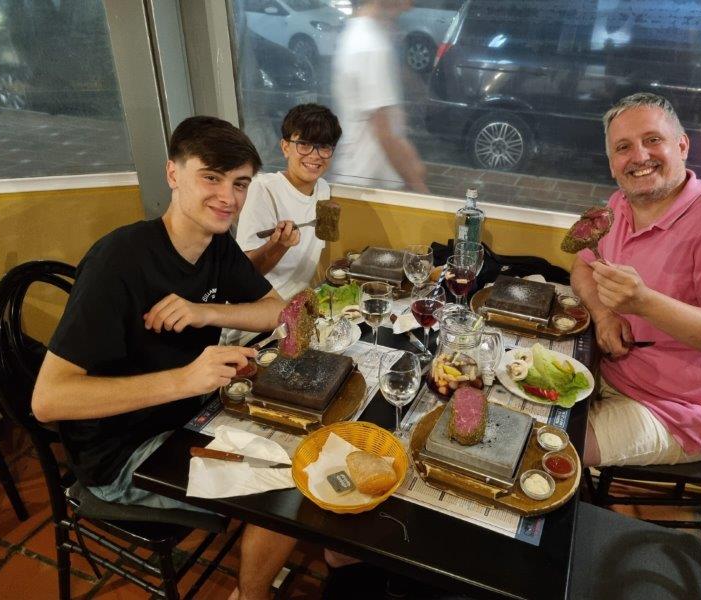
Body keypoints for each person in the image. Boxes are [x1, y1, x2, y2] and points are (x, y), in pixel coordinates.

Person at [31, 116, 297, 600]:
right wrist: (186, 379)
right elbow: (47, 400)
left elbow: (280, 311)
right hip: (122, 455)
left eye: (239, 183)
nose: (228, 197)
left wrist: (203, 310)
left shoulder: (217, 246)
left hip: (191, 420)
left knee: (302, 443)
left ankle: (317, 560)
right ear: (173, 173)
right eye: (211, 177)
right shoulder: (119, 260)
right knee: (288, 496)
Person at [571, 92, 701, 468]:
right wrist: (604, 315)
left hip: (684, 411)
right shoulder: (618, 205)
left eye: (653, 140)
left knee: (548, 449)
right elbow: (582, 267)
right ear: (612, 164)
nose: (639, 156)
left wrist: (644, 302)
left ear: (682, 145)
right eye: (623, 147)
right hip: (610, 370)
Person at [224, 103, 342, 346]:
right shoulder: (263, 190)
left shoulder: (322, 189)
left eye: (324, 146)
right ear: (285, 147)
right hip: (257, 327)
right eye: (304, 144)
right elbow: (244, 276)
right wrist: (279, 246)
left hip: (298, 314)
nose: (315, 155)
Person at [331, 0, 429, 193]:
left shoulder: (356, 33)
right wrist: (420, 189)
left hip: (361, 177)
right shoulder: (371, 45)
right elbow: (384, 133)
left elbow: (385, 121)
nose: (409, 6)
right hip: (369, 185)